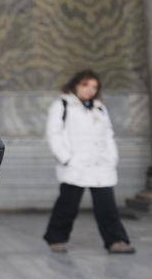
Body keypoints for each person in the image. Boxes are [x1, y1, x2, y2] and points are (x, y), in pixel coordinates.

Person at [44, 70, 134, 255]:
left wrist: (111, 158)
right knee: (67, 205)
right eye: (86, 85)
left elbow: (108, 135)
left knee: (107, 205)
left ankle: (116, 241)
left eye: (94, 87)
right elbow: (54, 133)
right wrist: (66, 158)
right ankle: (56, 238)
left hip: (100, 165)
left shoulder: (100, 107)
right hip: (75, 164)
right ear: (76, 84)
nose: (90, 90)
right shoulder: (62, 104)